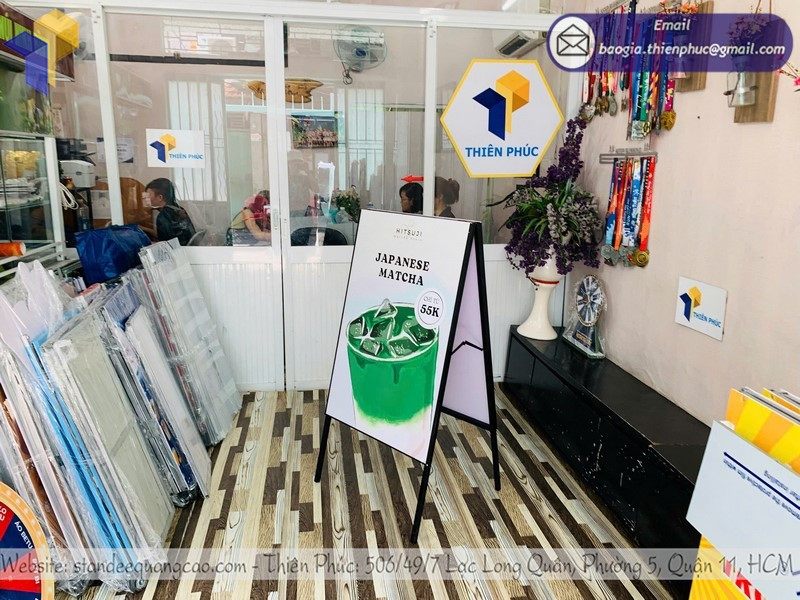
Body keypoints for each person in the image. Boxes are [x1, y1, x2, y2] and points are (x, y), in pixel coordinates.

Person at [144, 178, 196, 245]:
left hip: (177, 249)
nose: (146, 200)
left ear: (160, 197)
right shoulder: (179, 209)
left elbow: (166, 244)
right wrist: (145, 229)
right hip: (187, 248)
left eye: (148, 196)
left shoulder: (162, 217)